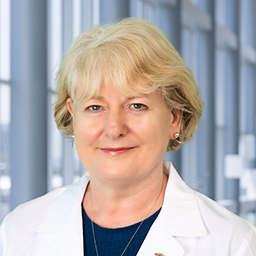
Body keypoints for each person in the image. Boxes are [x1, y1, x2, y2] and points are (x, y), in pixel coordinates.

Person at [0, 18, 255, 256]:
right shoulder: (18, 230)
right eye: (95, 107)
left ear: (175, 117)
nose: (114, 129)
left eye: (136, 106)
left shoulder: (233, 242)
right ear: (73, 116)